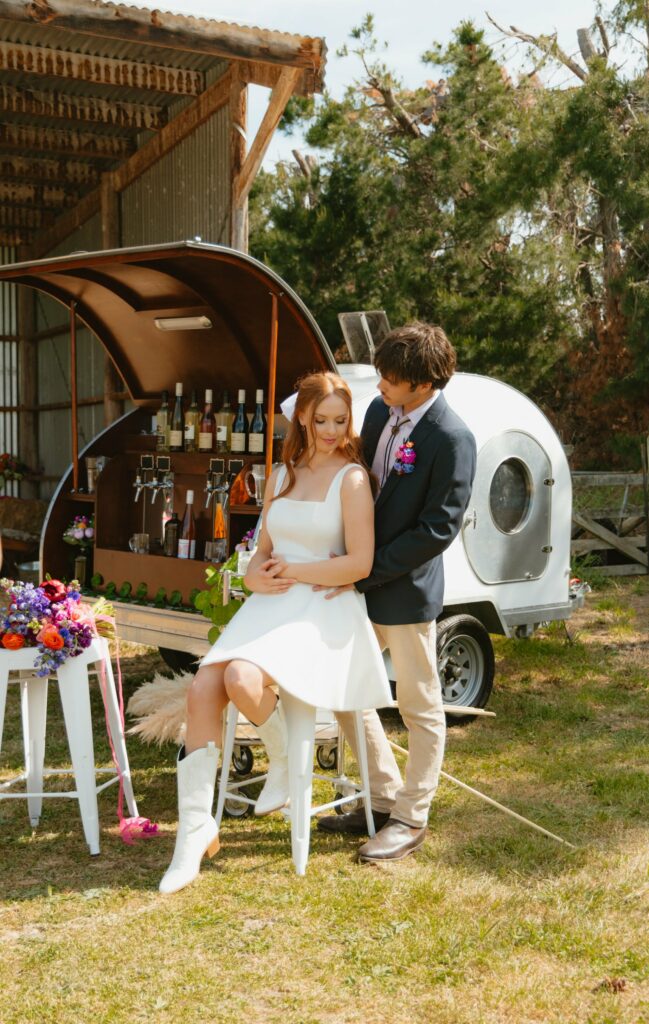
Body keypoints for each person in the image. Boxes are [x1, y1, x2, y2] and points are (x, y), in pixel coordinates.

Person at [159, 371, 393, 894]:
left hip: (322, 607)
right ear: (302, 417)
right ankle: (194, 831)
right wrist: (253, 577)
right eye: (321, 419)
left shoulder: (352, 479)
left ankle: (285, 761)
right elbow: (260, 553)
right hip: (270, 604)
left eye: (340, 420)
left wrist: (296, 572)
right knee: (203, 687)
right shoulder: (282, 475)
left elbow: (359, 563)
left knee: (241, 679)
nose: (331, 430)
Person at [317, 322, 476, 862]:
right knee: (344, 689)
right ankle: (382, 797)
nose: (380, 384)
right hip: (357, 580)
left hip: (404, 590)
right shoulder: (378, 412)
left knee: (419, 705)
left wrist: (366, 570)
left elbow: (437, 529)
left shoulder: (452, 439)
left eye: (390, 377)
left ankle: (411, 817)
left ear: (424, 383)